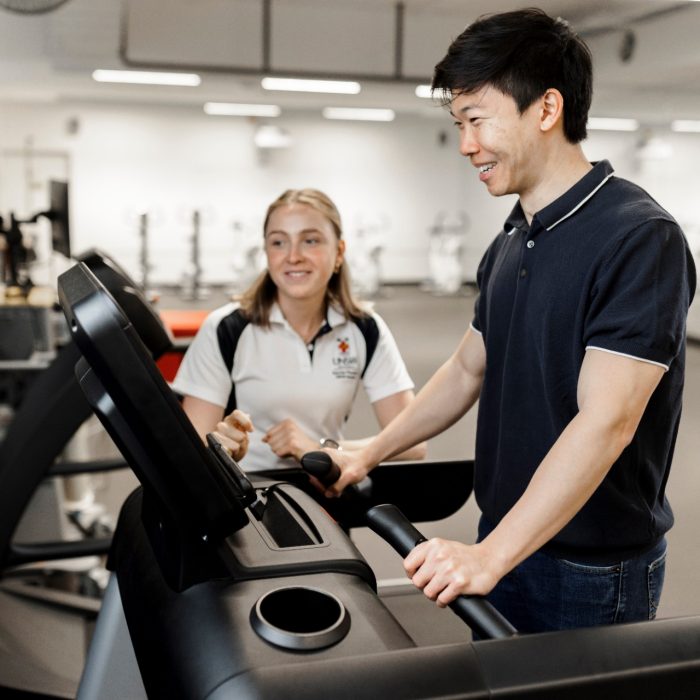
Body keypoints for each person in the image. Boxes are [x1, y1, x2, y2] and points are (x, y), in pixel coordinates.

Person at [327, 8, 696, 634]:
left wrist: (489, 557)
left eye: (476, 120)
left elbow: (607, 421)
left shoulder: (638, 237)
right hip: (507, 535)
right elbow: (470, 365)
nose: (467, 143)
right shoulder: (514, 236)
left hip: (587, 566)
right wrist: (372, 450)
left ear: (546, 109)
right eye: (459, 123)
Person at [171, 188, 426, 471]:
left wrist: (321, 450)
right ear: (266, 251)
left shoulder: (365, 328)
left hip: (327, 487)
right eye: (278, 242)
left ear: (339, 252)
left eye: (310, 241)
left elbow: (412, 444)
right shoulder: (225, 328)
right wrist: (224, 452)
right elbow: (191, 454)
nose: (293, 256)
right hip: (250, 496)